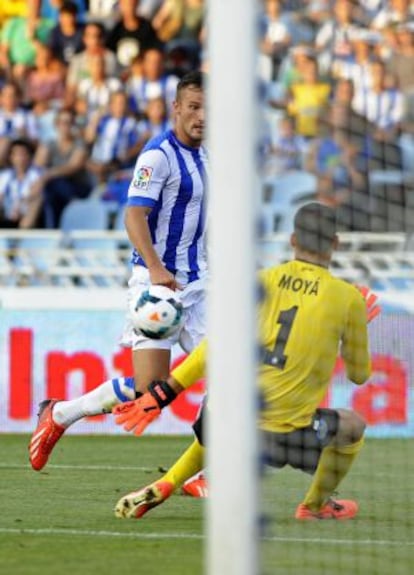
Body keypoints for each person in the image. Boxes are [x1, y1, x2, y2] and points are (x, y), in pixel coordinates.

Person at [111, 202, 380, 521]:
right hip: (283, 439)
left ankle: (168, 482)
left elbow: (214, 346)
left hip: (224, 423)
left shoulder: (261, 282)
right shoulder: (346, 297)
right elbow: (359, 375)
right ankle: (314, 506)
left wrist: (163, 394)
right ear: (335, 243)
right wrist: (356, 326)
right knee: (352, 425)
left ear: (293, 240)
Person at [28, 70, 208, 472]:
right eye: (194, 107)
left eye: (208, 108)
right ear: (177, 107)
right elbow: (133, 216)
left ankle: (204, 472)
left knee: (230, 372)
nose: (202, 116)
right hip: (157, 284)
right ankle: (60, 414)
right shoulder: (158, 155)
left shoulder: (207, 155)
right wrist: (158, 269)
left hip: (200, 282)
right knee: (151, 390)